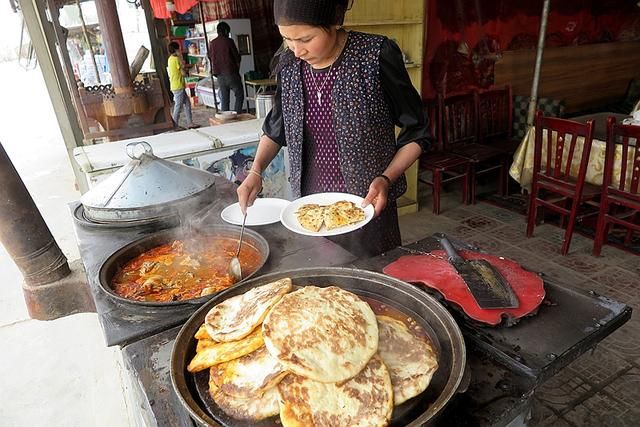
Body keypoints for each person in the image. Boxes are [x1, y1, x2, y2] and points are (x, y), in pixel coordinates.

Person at [236, 0, 432, 257]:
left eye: (305, 39)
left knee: (372, 278)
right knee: (321, 279)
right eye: (287, 39)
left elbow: (417, 131)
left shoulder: (374, 55)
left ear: (335, 21)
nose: (296, 50)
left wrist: (386, 178)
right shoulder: (288, 64)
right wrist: (256, 170)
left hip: (366, 205)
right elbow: (276, 127)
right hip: (308, 207)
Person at [208, 21, 245, 113]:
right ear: (225, 31)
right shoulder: (229, 41)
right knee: (239, 94)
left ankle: (225, 118)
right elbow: (237, 57)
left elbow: (209, 57)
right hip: (230, 72)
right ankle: (237, 114)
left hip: (219, 75)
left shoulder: (212, 43)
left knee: (225, 98)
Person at [167, 41, 197, 129]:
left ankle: (190, 123)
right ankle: (174, 124)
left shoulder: (170, 59)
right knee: (178, 106)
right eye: (179, 49)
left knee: (187, 104)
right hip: (178, 86)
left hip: (175, 85)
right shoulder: (176, 59)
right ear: (176, 50)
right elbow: (183, 73)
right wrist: (185, 67)